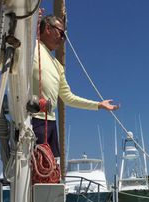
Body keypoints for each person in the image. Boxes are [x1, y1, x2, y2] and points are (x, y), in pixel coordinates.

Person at [32, 15, 119, 157]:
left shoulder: (58, 65)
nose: (63, 39)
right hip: (30, 120)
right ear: (47, 28)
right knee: (29, 165)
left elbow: (68, 97)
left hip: (50, 123)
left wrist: (98, 105)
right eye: (61, 33)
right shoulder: (30, 48)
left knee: (51, 167)